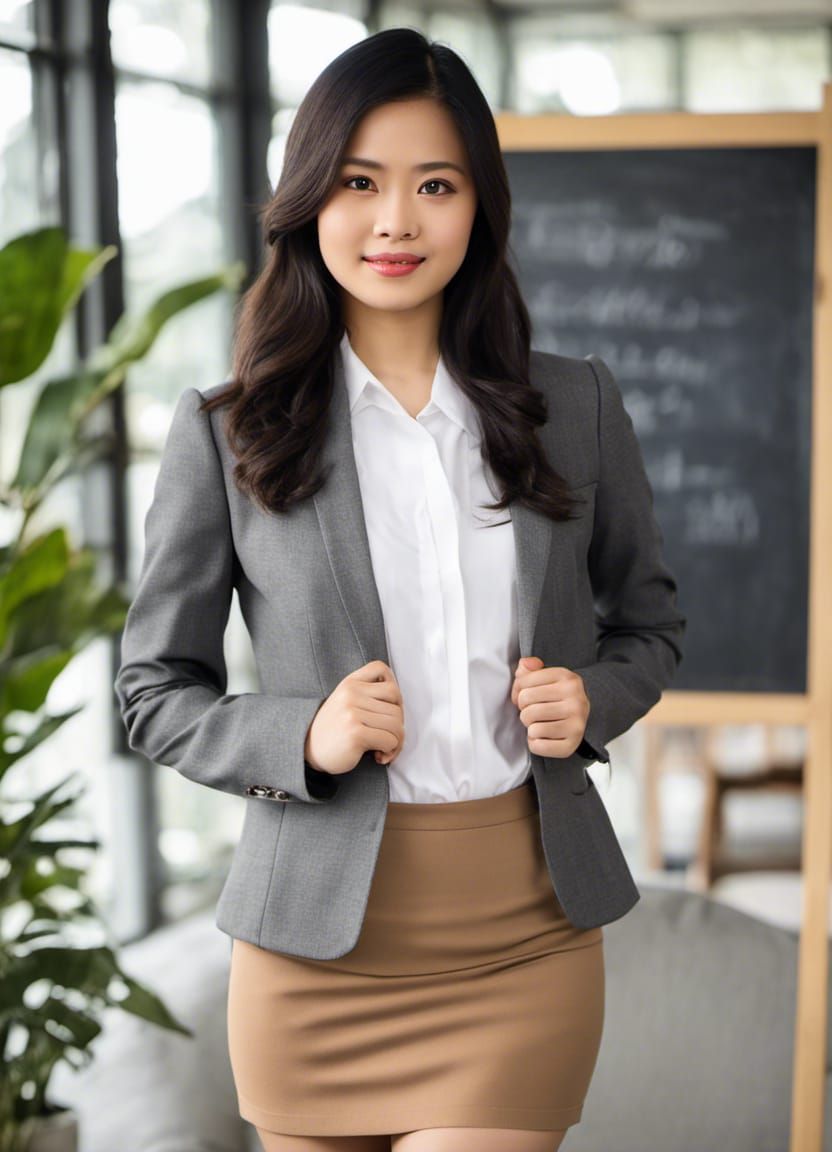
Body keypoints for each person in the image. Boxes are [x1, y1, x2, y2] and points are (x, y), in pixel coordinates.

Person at [115, 25, 685, 1152]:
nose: (394, 222)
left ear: (478, 206)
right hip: (311, 952)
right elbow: (150, 690)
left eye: (435, 184)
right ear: (307, 199)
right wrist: (301, 735)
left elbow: (651, 625)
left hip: (525, 935)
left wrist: (591, 699)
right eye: (359, 183)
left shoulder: (574, 406)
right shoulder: (227, 434)